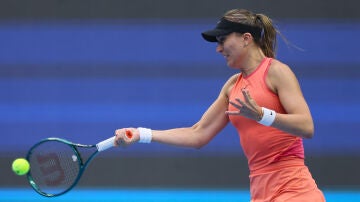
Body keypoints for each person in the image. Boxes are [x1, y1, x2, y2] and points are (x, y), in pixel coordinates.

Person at [114, 8, 325, 202]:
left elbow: (307, 126)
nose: (218, 49)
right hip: (261, 192)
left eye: (223, 40)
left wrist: (262, 115)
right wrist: (141, 134)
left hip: (295, 191)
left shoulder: (277, 72)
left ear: (246, 38)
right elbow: (198, 134)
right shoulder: (232, 86)